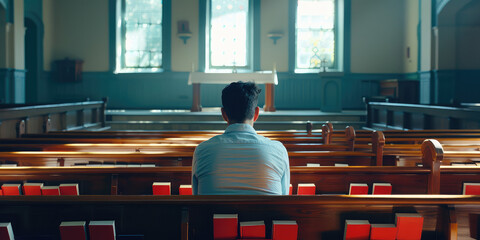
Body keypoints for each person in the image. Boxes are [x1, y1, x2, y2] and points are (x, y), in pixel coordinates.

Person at [192, 81, 290, 195]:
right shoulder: (278, 150)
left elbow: (197, 197)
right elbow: (283, 197)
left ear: (224, 114)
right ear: (256, 113)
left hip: (216, 213)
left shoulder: (202, 150)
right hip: (266, 213)